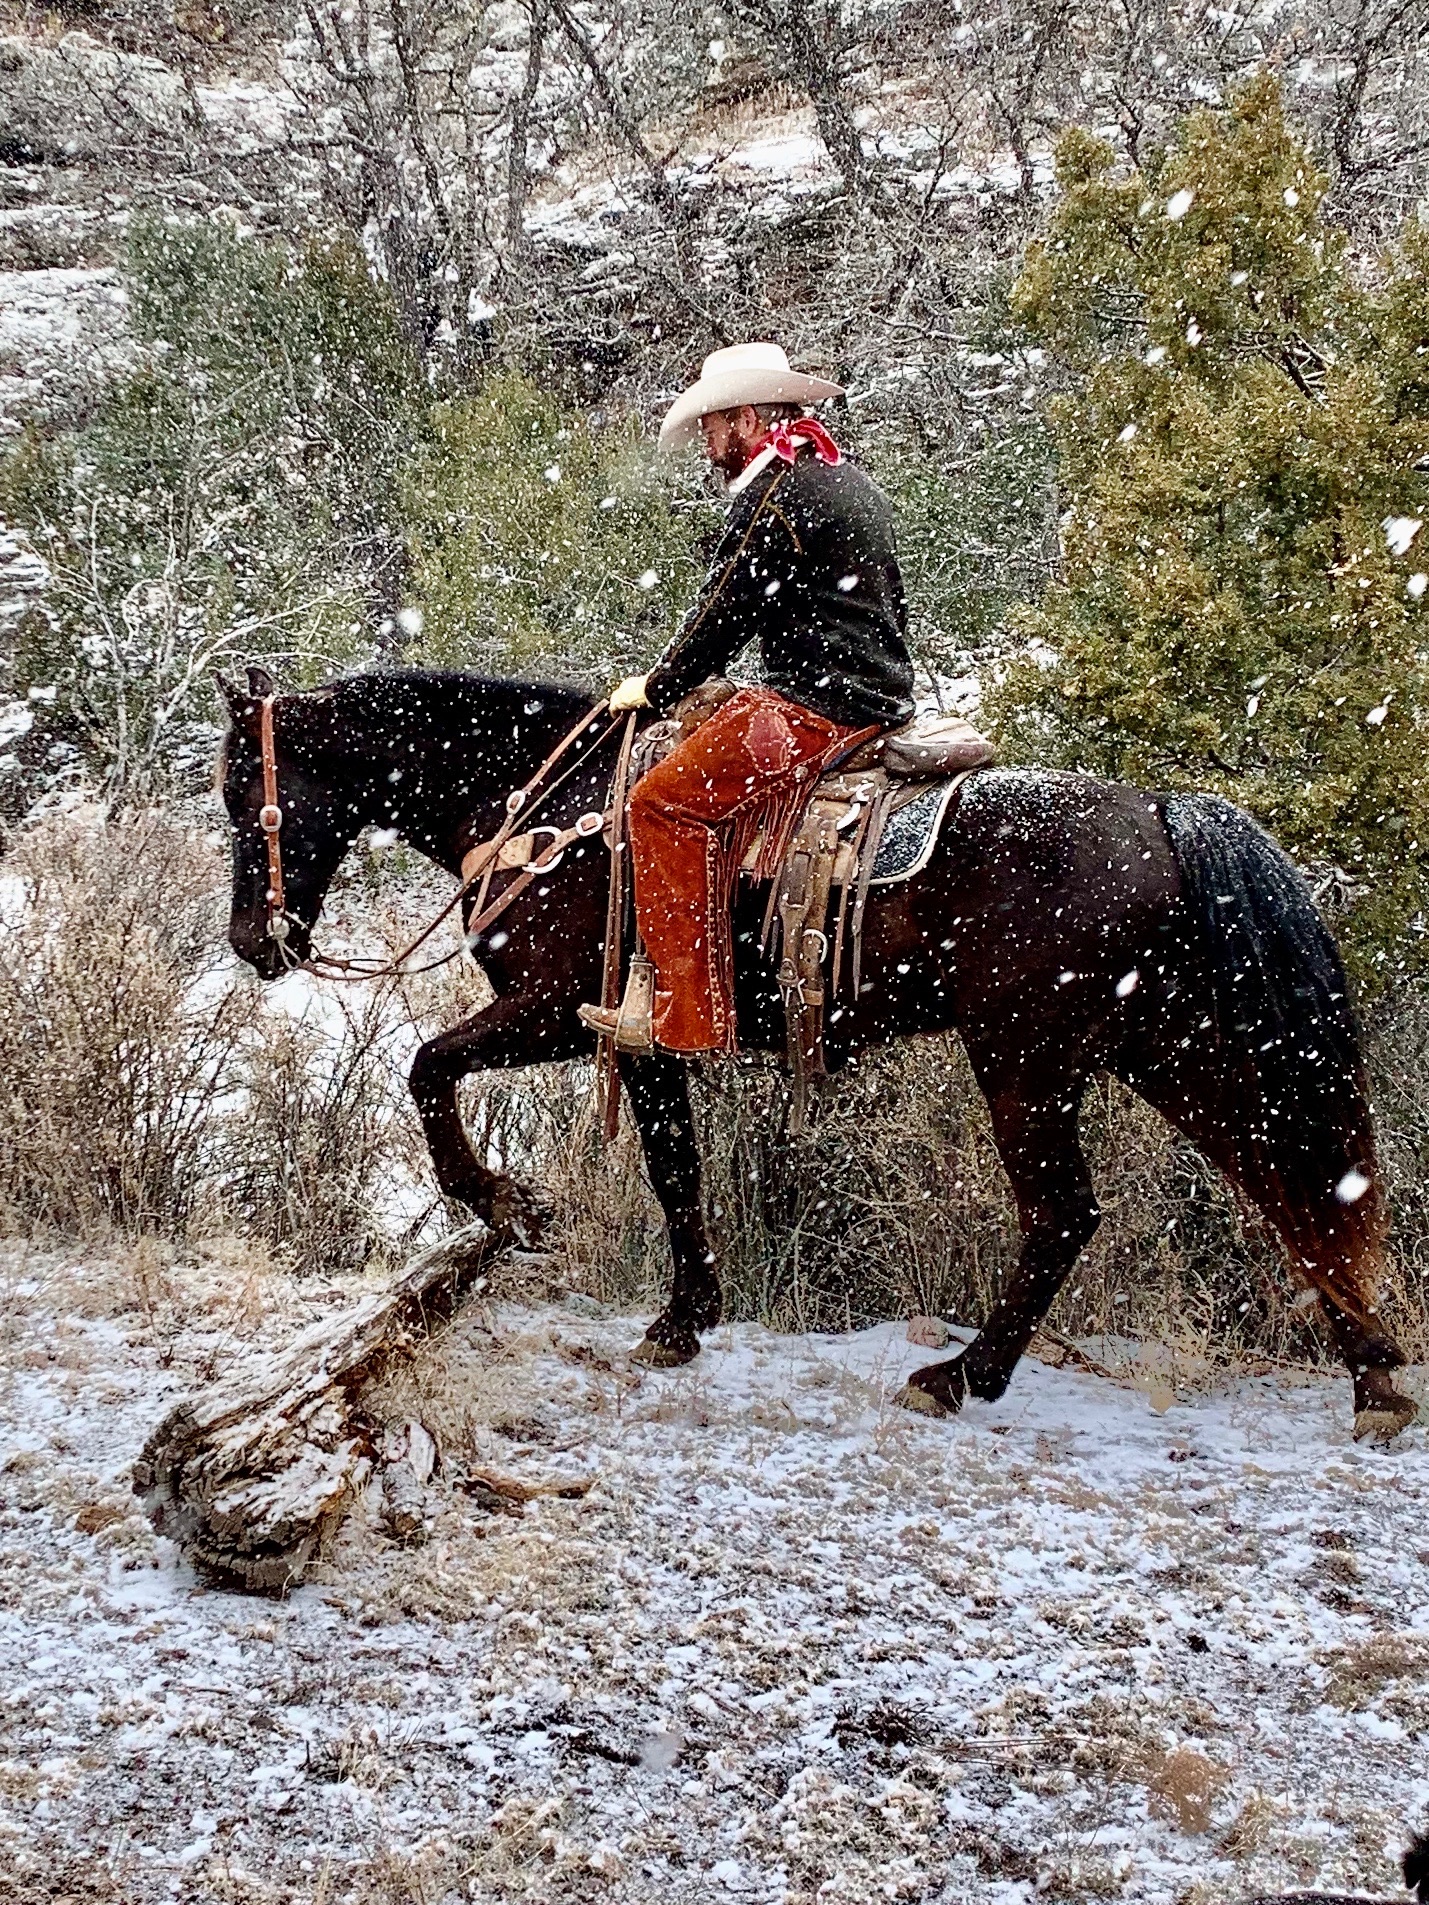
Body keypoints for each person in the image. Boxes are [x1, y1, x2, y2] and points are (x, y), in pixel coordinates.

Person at [579, 341, 915, 1055]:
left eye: (711, 426)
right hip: (876, 696)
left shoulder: (775, 495)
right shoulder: (844, 478)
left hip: (818, 709)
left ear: (746, 420)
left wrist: (656, 687)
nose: (707, 445)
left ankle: (685, 1018)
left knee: (658, 804)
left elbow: (720, 616)